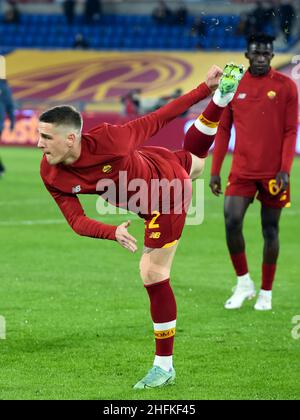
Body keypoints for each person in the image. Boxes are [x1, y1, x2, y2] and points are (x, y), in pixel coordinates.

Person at [37, 64, 243, 389]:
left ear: (71, 138)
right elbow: (76, 221)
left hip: (167, 194)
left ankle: (164, 367)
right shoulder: (51, 173)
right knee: (197, 161)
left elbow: (159, 117)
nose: (39, 144)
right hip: (158, 160)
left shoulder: (111, 139)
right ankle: (221, 100)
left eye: (46, 137)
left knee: (152, 272)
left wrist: (201, 88)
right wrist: (111, 231)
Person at [209, 34, 298, 311]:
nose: (261, 58)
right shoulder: (234, 86)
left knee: (270, 229)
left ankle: (266, 292)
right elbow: (223, 130)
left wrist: (285, 169)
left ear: (272, 56)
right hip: (242, 170)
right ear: (247, 56)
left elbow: (290, 130)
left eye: (266, 54)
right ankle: (244, 282)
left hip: (273, 173)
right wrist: (215, 171)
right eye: (256, 54)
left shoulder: (286, 87)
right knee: (231, 220)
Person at [0, 77, 15, 177]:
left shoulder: (4, 87)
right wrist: (12, 121)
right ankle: (1, 168)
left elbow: (9, 106)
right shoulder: (5, 87)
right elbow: (10, 106)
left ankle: (1, 169)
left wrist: (12, 121)